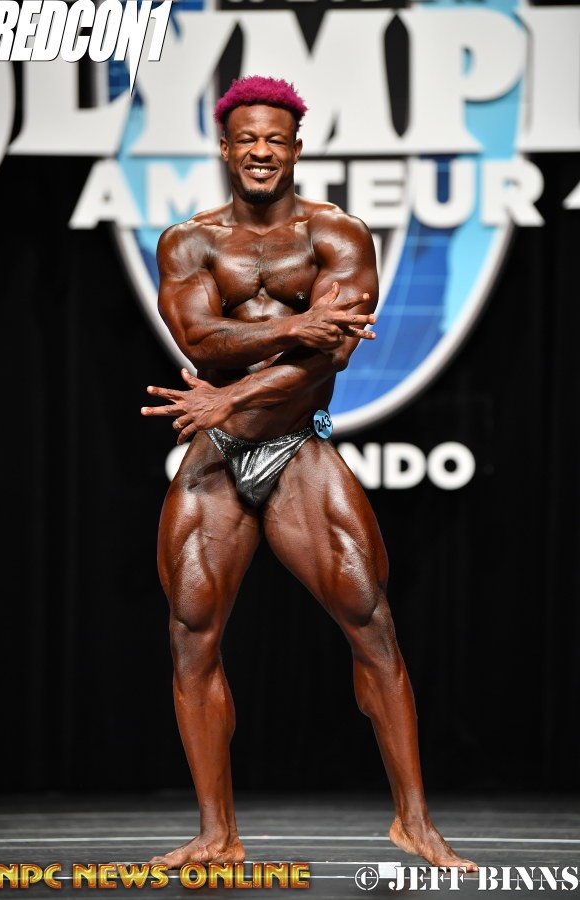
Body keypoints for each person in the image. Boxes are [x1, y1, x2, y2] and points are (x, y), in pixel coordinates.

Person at [141, 76, 477, 873]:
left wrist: (235, 393)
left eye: (274, 139)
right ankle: (217, 836)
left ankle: (415, 823)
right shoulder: (188, 243)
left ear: (296, 146)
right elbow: (200, 340)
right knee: (191, 635)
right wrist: (300, 324)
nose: (260, 151)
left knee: (372, 623)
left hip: (299, 449)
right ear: (225, 148)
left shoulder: (338, 235)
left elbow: (334, 354)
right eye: (246, 139)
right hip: (216, 456)